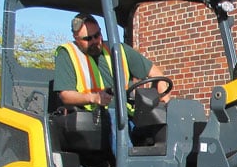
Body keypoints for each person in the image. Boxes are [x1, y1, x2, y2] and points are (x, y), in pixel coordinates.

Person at [53, 12, 170, 149]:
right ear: (76, 38)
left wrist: (166, 103)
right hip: (95, 114)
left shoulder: (118, 49)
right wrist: (94, 98)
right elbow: (66, 95)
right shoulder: (67, 54)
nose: (95, 41)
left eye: (97, 35)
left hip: (128, 113)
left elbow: (156, 73)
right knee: (115, 116)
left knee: (161, 121)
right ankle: (127, 164)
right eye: (88, 38)